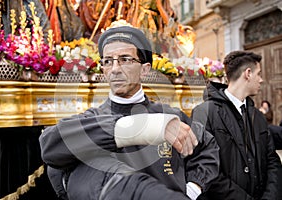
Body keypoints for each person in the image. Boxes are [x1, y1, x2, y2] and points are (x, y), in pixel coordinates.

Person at [39, 26, 220, 200]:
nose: (115, 69)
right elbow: (50, 145)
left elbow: (208, 147)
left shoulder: (172, 116)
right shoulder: (92, 119)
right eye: (108, 61)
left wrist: (193, 188)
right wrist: (142, 129)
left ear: (145, 69)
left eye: (125, 59)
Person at [191, 51, 281, 199]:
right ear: (248, 73)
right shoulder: (204, 113)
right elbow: (204, 167)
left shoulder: (258, 116)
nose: (261, 80)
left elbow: (272, 160)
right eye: (259, 74)